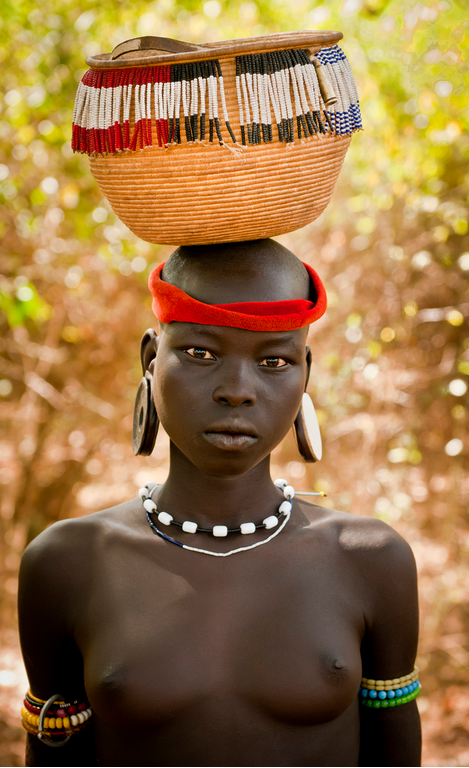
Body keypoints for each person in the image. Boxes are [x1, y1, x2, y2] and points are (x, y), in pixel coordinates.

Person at [18, 239, 421, 767]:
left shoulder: (371, 560)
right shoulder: (67, 563)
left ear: (305, 373)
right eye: (200, 353)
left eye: (274, 359)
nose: (237, 390)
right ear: (150, 359)